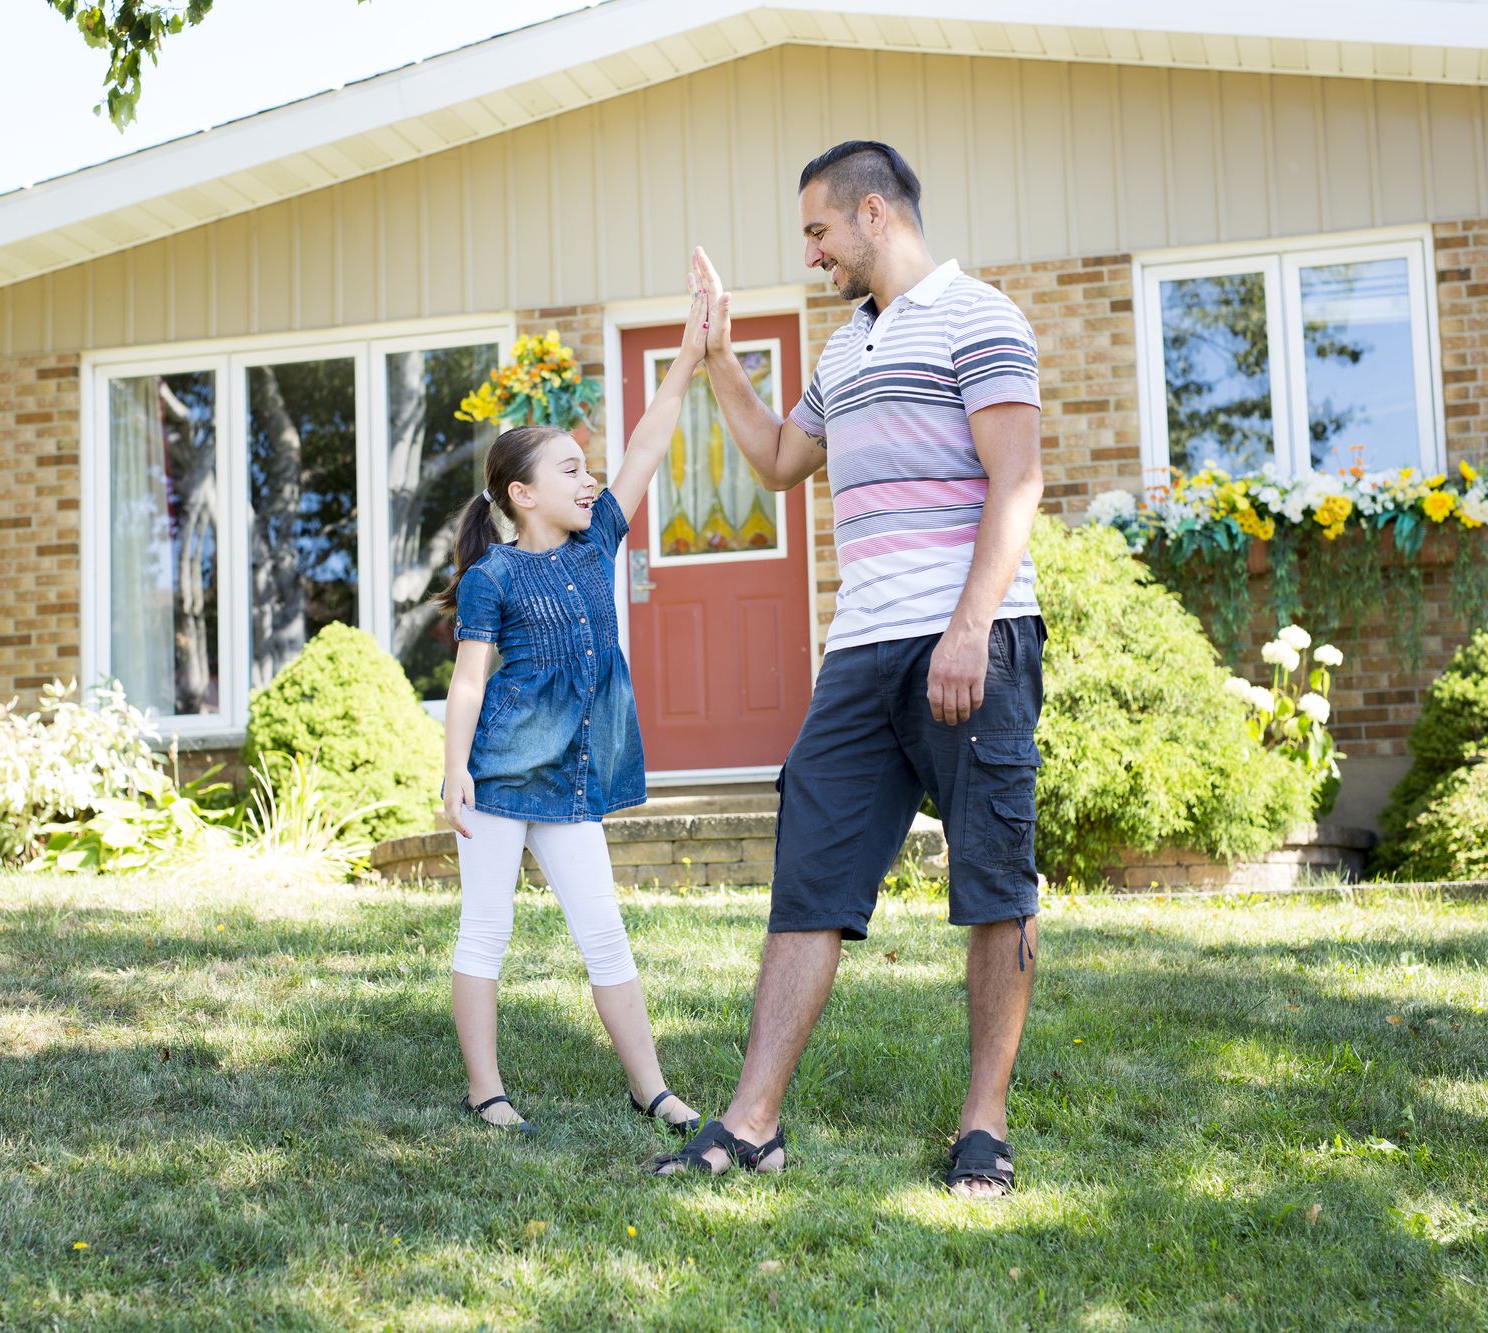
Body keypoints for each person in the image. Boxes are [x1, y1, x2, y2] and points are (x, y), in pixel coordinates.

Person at [648, 141, 1048, 1197]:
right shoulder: (842, 352)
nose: (812, 253)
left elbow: (1017, 480)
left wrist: (968, 629)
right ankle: (750, 1123)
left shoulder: (981, 318)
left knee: (993, 879)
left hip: (974, 637)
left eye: (817, 232)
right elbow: (780, 461)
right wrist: (718, 354)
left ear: (874, 214)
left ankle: (982, 1125)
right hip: (859, 650)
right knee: (807, 882)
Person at [433, 286, 712, 1135]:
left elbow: (645, 444)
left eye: (587, 472)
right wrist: (455, 773)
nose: (590, 480)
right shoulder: (495, 577)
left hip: (572, 779)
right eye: (569, 471)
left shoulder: (596, 546)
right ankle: (487, 1089)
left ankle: (651, 1085)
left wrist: (691, 358)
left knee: (604, 930)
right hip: (501, 778)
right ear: (521, 494)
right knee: (486, 931)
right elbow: (470, 683)